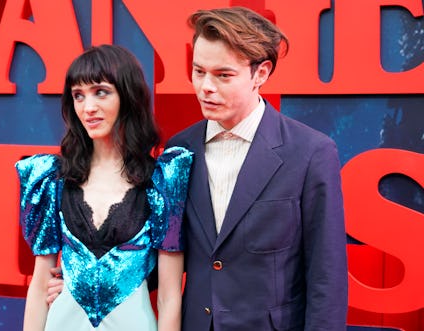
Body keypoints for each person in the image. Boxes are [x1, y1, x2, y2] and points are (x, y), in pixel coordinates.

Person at [47, 6, 348, 331]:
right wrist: (88, 286)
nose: (205, 86)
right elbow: (164, 255)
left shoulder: (310, 153)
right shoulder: (180, 151)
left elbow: (326, 277)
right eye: (198, 71)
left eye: (223, 75)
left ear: (261, 73)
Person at [16, 45, 192, 331]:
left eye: (101, 92)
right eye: (78, 95)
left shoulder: (161, 181)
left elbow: (169, 298)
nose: (88, 107)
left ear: (128, 95)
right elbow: (39, 285)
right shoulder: (53, 179)